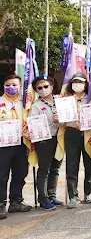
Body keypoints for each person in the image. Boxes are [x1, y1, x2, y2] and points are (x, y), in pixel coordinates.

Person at [28, 76, 64, 211]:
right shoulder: (36, 106)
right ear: (36, 90)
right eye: (39, 88)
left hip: (59, 138)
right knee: (44, 169)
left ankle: (52, 195)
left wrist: (60, 119)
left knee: (55, 168)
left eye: (45, 86)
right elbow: (33, 124)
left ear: (52, 86)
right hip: (44, 140)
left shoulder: (61, 100)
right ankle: (43, 199)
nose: (43, 90)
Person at [0, 74, 32, 219]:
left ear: (20, 86)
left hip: (22, 143)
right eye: (8, 85)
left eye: (14, 85)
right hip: (3, 145)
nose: (11, 87)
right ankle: (1, 204)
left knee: (20, 173)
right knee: (2, 175)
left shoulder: (25, 104)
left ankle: (16, 202)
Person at [63, 73, 91, 209]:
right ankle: (73, 196)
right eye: (75, 82)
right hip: (71, 133)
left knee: (90, 163)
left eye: (80, 82)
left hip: (87, 132)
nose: (78, 84)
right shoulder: (65, 99)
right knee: (71, 165)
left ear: (86, 84)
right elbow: (61, 120)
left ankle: (89, 193)